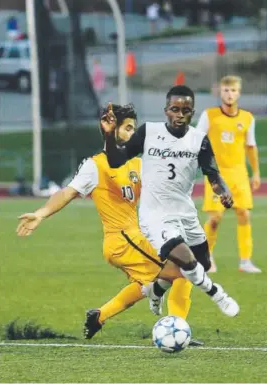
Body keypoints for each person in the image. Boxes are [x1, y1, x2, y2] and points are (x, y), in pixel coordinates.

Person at [15, 104, 201, 345]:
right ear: (111, 130)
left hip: (138, 237)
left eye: (133, 129)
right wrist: (41, 213)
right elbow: (68, 192)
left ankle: (100, 316)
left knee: (148, 282)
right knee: (185, 270)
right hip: (122, 240)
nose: (132, 134)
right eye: (127, 128)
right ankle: (176, 327)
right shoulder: (96, 165)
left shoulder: (136, 164)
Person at [103, 86, 240, 318]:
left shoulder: (199, 140)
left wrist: (223, 192)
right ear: (166, 110)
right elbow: (116, 160)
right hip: (154, 214)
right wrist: (108, 134)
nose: (179, 114)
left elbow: (213, 175)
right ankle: (218, 295)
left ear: (192, 112)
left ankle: (155, 289)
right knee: (186, 260)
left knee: (201, 265)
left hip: (184, 212)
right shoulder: (148, 132)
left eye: (185, 110)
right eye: (175, 109)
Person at [196, 75, 261, 273]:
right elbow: (196, 140)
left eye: (233, 90)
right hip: (216, 174)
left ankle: (245, 261)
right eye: (226, 90)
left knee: (244, 215)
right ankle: (206, 259)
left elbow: (251, 147)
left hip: (239, 174)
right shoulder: (209, 115)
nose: (229, 94)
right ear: (220, 92)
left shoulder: (248, 118)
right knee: (215, 218)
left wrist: (256, 173)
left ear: (239, 93)